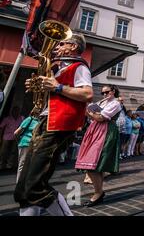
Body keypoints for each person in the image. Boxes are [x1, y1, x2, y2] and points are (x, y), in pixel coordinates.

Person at [14, 33, 93, 216]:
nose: (56, 47)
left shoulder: (79, 67)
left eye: (61, 43)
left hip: (59, 125)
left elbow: (87, 94)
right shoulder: (58, 67)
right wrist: (38, 86)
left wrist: (58, 87)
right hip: (44, 122)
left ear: (73, 47)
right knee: (23, 187)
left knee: (35, 186)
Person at [75, 85, 121, 207]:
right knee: (94, 164)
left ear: (113, 91)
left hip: (105, 131)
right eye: (102, 93)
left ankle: (98, 193)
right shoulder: (102, 102)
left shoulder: (115, 103)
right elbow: (94, 117)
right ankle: (98, 192)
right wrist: (90, 112)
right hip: (95, 130)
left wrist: (89, 113)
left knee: (94, 163)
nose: (104, 95)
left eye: (106, 92)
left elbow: (101, 118)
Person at [13, 109, 40, 182]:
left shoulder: (39, 121)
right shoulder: (29, 119)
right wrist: (19, 141)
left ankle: (25, 182)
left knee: (30, 164)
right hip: (25, 143)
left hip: (34, 145)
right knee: (22, 163)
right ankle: (18, 182)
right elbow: (16, 133)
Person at [0, 106, 23, 170]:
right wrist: (0, 137)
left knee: (13, 151)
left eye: (17, 111)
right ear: (12, 111)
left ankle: (9, 165)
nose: (16, 112)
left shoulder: (21, 118)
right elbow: (1, 128)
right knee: (3, 151)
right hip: (7, 137)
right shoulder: (7, 119)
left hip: (16, 137)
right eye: (15, 111)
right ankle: (1, 164)